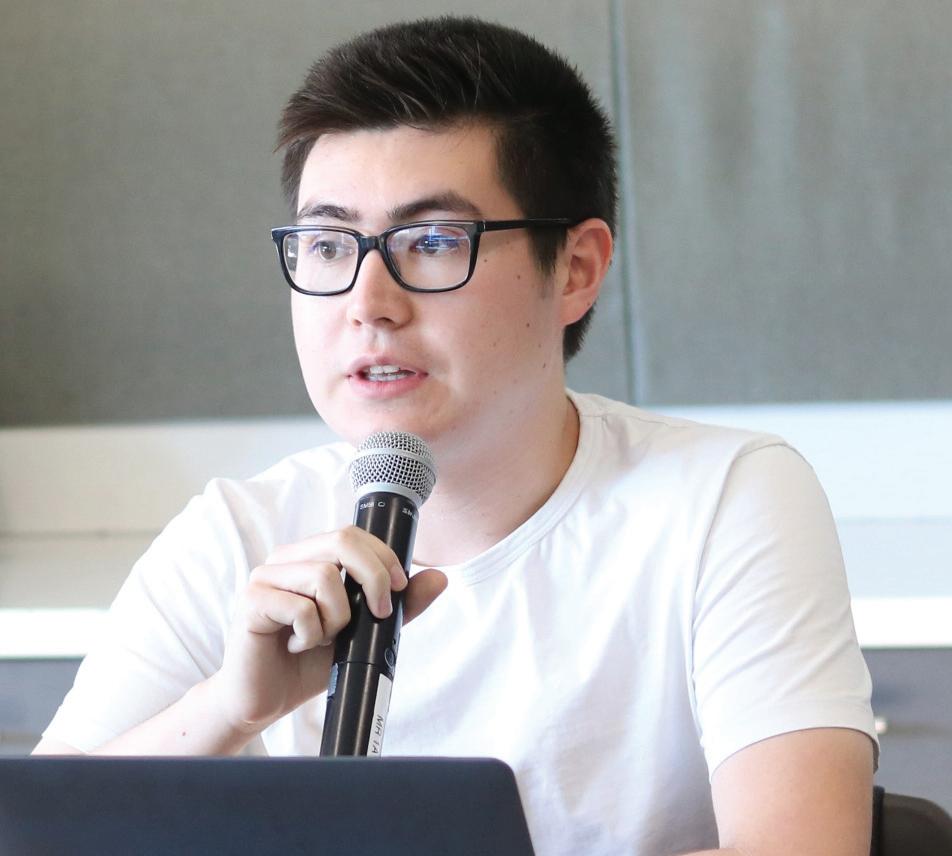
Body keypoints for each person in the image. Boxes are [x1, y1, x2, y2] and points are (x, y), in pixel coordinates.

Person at [34, 16, 877, 856]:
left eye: (433, 242)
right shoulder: (237, 535)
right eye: (328, 245)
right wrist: (231, 706)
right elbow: (39, 837)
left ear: (576, 269)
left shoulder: (722, 499)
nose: (368, 303)